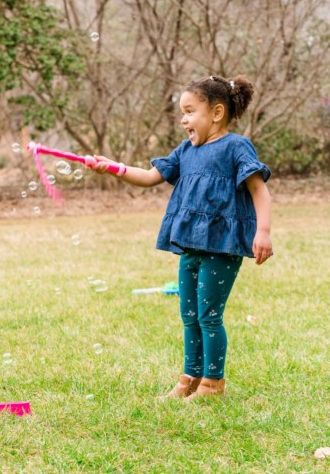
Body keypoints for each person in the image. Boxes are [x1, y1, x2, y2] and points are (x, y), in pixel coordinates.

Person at [92, 75, 272, 400]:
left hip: (222, 244)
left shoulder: (235, 147)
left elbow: (259, 189)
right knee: (188, 315)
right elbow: (149, 176)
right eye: (182, 112)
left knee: (209, 315)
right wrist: (113, 168)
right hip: (190, 242)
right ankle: (189, 377)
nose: (183, 119)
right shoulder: (186, 151)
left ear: (216, 113)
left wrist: (263, 232)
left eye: (189, 111)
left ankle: (213, 383)